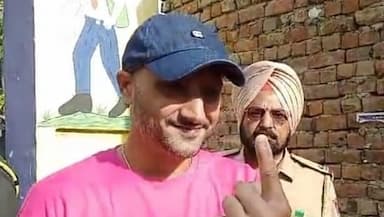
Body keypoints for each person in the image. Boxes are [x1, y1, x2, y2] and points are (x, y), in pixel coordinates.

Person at [18, 14, 290, 217]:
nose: (196, 113)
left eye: (210, 93)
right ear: (127, 87)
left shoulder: (244, 190)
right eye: (174, 86)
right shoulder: (58, 201)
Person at [221, 61, 340, 217]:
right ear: (241, 117)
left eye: (279, 116)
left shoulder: (316, 183)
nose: (266, 124)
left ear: (292, 124)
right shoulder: (212, 172)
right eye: (255, 113)